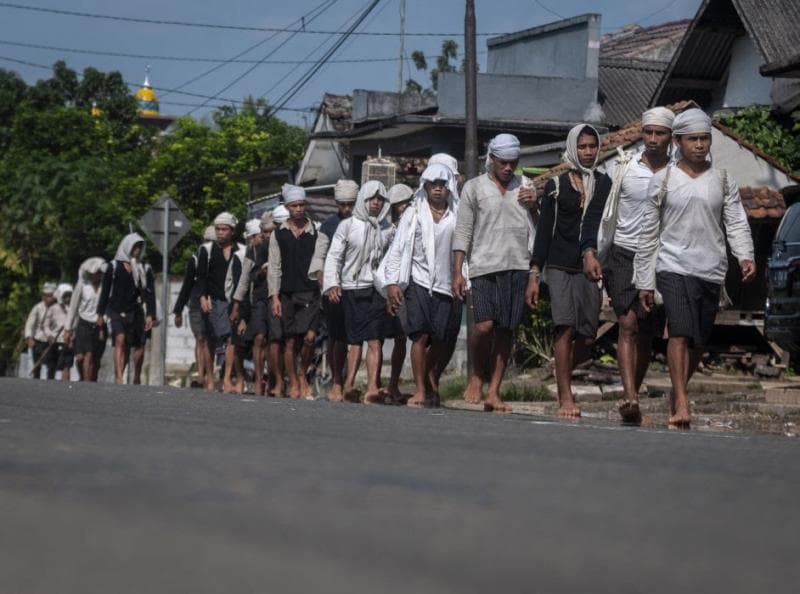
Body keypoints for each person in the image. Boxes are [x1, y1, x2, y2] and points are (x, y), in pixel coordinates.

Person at [635, 108, 755, 428]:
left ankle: (678, 391)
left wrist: (745, 256)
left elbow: (735, 222)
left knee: (699, 340)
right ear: (678, 142)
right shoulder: (663, 180)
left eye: (705, 139)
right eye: (693, 140)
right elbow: (648, 233)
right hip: (672, 265)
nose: (700, 145)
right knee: (679, 330)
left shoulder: (723, 179)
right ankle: (682, 402)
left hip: (711, 267)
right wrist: (645, 280)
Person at [583, 107, 675, 424]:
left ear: (670, 137)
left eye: (659, 133)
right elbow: (597, 211)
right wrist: (590, 251)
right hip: (622, 252)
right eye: (647, 132)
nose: (652, 139)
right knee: (628, 323)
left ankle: (634, 391)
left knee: (647, 332)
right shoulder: (623, 167)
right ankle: (630, 397)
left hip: (660, 257)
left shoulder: (677, 171)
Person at [528, 124, 612, 418]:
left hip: (589, 267)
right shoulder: (556, 185)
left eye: (592, 146)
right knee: (564, 326)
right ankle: (566, 396)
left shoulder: (603, 183)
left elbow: (593, 222)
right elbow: (543, 233)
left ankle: (560, 366)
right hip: (560, 265)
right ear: (573, 148)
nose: (588, 152)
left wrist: (591, 254)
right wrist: (534, 274)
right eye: (582, 146)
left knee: (587, 335)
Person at [452, 134, 538, 412]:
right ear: (491, 159)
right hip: (483, 267)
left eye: (513, 163)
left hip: (517, 265)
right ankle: (477, 374)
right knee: (483, 325)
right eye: (503, 163)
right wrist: (458, 271)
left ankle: (494, 390)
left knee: (505, 330)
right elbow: (463, 231)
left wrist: (534, 204)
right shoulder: (474, 188)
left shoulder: (525, 187)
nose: (509, 168)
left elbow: (537, 230)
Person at [385, 165, 461, 408]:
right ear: (425, 186)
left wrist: (464, 278)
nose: (438, 188)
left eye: (442, 183)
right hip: (417, 281)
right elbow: (397, 249)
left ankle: (428, 377)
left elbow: (464, 250)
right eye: (433, 184)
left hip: (446, 285)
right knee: (420, 335)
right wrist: (392, 282)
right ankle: (419, 390)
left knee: (441, 338)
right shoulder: (413, 213)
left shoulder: (457, 215)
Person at [323, 180, 391, 404]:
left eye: (380, 199)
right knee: (353, 340)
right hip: (350, 289)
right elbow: (334, 256)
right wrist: (332, 283)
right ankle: (348, 383)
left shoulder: (387, 229)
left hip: (375, 290)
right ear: (363, 200)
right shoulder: (348, 226)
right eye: (372, 199)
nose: (376, 203)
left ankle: (372, 387)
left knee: (374, 339)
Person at [268, 185, 323, 399]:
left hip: (310, 292)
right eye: (294, 205)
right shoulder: (279, 234)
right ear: (288, 207)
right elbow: (274, 266)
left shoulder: (315, 231)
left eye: (301, 205)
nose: (299, 209)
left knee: (309, 338)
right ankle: (292, 380)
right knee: (290, 341)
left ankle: (302, 374)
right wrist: (274, 297)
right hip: (287, 293)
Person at [315, 179, 358, 401]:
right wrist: (326, 282)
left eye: (351, 203)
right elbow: (320, 258)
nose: (347, 209)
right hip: (335, 290)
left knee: (359, 338)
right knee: (336, 336)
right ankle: (337, 381)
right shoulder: (328, 226)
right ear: (336, 203)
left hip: (359, 286)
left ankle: (351, 382)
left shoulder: (364, 223)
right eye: (343, 204)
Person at [196, 212, 246, 393]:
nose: (220, 233)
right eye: (218, 229)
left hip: (232, 301)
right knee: (210, 339)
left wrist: (239, 306)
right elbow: (200, 277)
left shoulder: (240, 252)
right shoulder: (207, 251)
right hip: (211, 300)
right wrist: (202, 297)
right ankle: (210, 377)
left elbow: (243, 279)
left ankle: (226, 379)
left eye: (224, 229)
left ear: (232, 231)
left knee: (232, 339)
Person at [97, 232, 156, 385]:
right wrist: (100, 314)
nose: (137, 250)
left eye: (139, 247)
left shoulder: (144, 268)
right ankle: (119, 376)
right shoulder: (113, 267)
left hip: (136, 310)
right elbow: (105, 291)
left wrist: (150, 314)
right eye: (134, 246)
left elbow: (150, 293)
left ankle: (137, 375)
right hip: (116, 309)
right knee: (120, 339)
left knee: (139, 345)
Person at [174, 225, 216, 388]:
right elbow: (187, 285)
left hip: (214, 302)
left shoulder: (221, 258)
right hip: (196, 304)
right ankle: (200, 375)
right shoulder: (196, 259)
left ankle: (209, 374)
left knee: (211, 340)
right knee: (200, 338)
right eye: (207, 241)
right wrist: (178, 310)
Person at [65, 257, 107, 382]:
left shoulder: (106, 287)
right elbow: (73, 307)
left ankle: (92, 380)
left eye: (99, 273)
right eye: (94, 273)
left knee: (96, 358)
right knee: (87, 354)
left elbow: (110, 305)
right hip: (84, 324)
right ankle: (86, 382)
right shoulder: (82, 285)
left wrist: (105, 319)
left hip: (100, 326)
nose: (96, 276)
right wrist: (68, 329)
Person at [24, 282, 57, 379]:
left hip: (52, 341)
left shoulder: (58, 308)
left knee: (51, 365)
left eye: (50, 296)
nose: (48, 298)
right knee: (37, 366)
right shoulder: (38, 307)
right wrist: (29, 337)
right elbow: (30, 323)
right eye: (46, 295)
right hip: (38, 340)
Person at [44, 283, 74, 381]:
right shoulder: (53, 309)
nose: (68, 298)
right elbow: (45, 325)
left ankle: (65, 387)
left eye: (70, 296)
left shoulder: (74, 309)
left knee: (67, 365)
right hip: (55, 343)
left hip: (68, 343)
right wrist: (49, 336)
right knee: (52, 367)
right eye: (65, 296)